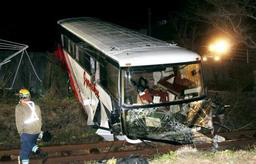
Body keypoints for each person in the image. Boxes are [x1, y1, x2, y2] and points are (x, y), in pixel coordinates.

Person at [15, 88, 47, 164]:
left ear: (21, 97)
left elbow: (18, 121)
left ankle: (38, 150)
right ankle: (37, 150)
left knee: (24, 152)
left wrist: (20, 133)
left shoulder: (19, 107)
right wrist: (39, 132)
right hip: (36, 132)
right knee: (27, 148)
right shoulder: (36, 106)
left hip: (26, 132)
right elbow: (40, 120)